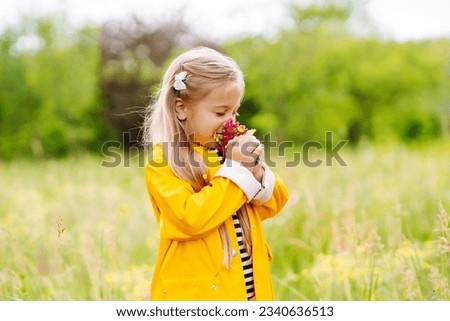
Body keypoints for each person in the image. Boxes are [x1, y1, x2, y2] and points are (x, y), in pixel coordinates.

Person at [142, 46, 289, 301]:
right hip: (199, 296)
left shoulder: (225, 154)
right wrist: (236, 172)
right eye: (220, 112)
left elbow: (273, 204)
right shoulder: (164, 161)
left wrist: (255, 170)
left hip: (248, 289)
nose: (230, 121)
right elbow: (189, 219)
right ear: (181, 109)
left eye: (235, 112)